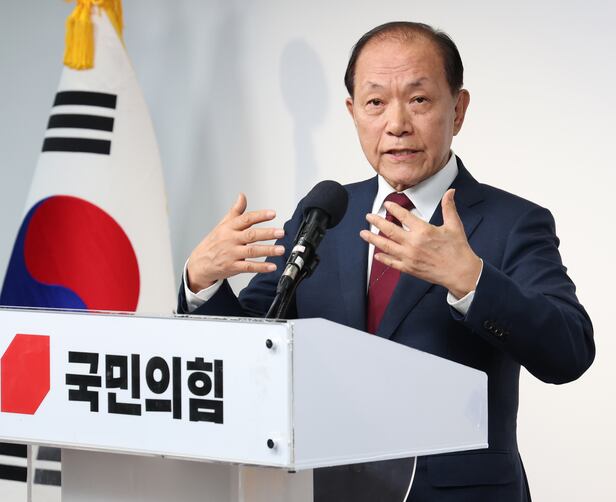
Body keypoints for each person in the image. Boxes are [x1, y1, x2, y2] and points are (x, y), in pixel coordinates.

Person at [178, 21, 595, 502]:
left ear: (457, 109)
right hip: (325, 489)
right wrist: (202, 283)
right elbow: (257, 345)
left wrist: (470, 280)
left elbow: (569, 352)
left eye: (418, 99)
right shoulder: (323, 214)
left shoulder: (512, 221)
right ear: (353, 112)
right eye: (375, 102)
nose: (397, 123)